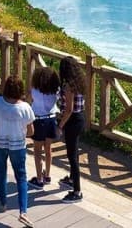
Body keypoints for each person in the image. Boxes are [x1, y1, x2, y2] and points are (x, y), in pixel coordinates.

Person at [0, 75, 35, 226]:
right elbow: (31, 132)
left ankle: (3, 203)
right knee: (21, 177)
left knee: (1, 173)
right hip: (17, 146)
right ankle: (23, 212)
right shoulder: (25, 108)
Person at [57, 57, 87, 203]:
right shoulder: (79, 82)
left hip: (72, 120)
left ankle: (77, 191)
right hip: (80, 117)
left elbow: (68, 110)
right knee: (73, 151)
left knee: (72, 156)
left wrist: (60, 125)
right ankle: (70, 179)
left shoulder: (69, 86)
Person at [28, 65, 61, 188]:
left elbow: (29, 98)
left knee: (37, 151)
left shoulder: (35, 90)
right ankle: (47, 175)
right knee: (48, 149)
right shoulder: (55, 91)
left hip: (39, 120)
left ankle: (39, 178)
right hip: (52, 120)